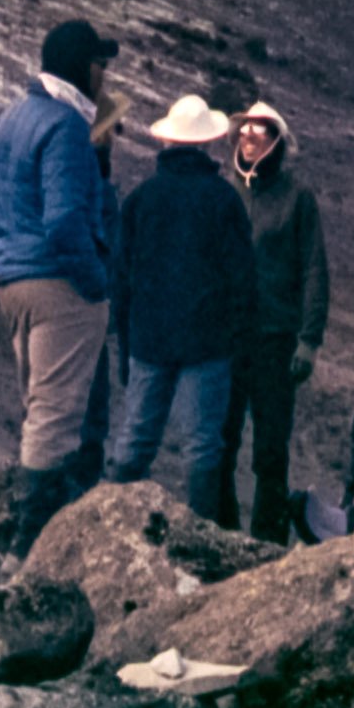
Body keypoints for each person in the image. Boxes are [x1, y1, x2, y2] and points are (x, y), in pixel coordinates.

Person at [0, 17, 123, 550]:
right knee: (58, 417)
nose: (105, 77)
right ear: (84, 68)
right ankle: (31, 546)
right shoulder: (66, 127)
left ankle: (38, 538)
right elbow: (63, 221)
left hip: (10, 279)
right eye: (101, 65)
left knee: (39, 407)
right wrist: (94, 281)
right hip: (59, 284)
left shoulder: (4, 120)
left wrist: (5, 256)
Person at [110, 95, 258, 518]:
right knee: (202, 445)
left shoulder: (141, 199)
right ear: (208, 144)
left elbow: (120, 279)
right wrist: (238, 344)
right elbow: (241, 281)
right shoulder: (223, 201)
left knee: (135, 439)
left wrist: (126, 346)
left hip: (149, 339)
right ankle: (200, 540)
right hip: (206, 344)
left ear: (167, 143)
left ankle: (110, 527)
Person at [217, 99, 329, 542]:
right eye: (244, 131)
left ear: (277, 142)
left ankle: (267, 541)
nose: (248, 138)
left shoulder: (297, 198)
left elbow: (314, 269)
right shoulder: (226, 192)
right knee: (221, 440)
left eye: (259, 132)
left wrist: (309, 339)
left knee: (269, 447)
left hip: (275, 338)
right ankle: (220, 534)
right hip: (227, 337)